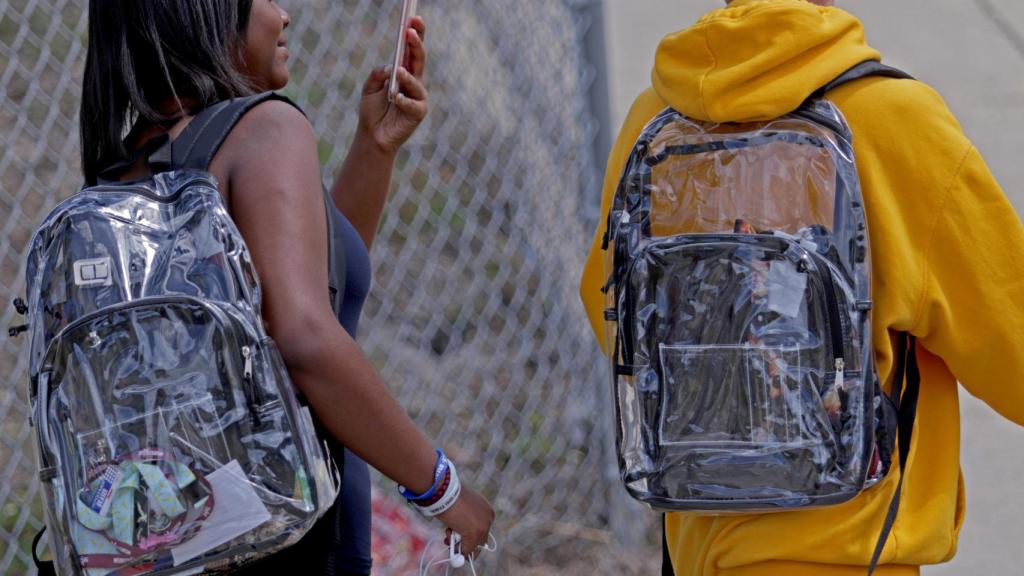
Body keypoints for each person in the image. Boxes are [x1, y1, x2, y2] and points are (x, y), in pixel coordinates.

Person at [579, 0, 1024, 575]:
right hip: (849, 551)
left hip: (699, 549)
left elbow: (612, 311)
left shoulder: (654, 122)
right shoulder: (893, 121)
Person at [78, 1, 494, 574]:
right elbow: (304, 336)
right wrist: (444, 489)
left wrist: (375, 146)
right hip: (285, 540)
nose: (284, 15)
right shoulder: (265, 129)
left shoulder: (123, 170)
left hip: (176, 538)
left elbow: (311, 288)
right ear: (205, 17)